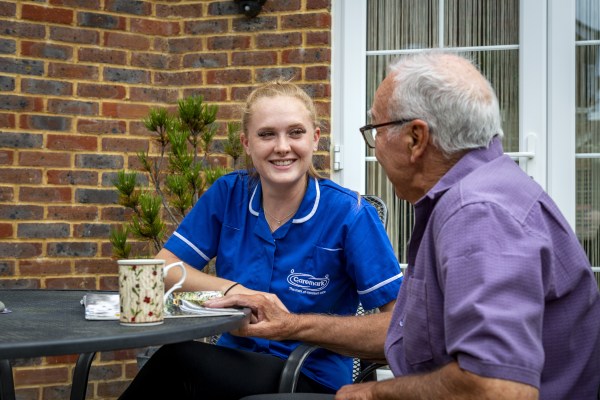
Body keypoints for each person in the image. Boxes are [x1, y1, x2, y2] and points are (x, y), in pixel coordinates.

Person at [210, 52, 600, 400]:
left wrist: (377, 394)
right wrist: (291, 324)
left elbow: (497, 388)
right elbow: (403, 329)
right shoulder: (478, 192)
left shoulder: (479, 215)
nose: (375, 146)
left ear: (416, 138)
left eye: (376, 130)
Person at [118, 80, 403, 399]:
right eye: (267, 134)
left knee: (177, 363)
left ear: (315, 139)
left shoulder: (351, 214)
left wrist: (294, 325)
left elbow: (400, 327)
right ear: (247, 143)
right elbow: (163, 266)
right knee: (178, 363)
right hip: (231, 362)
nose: (282, 146)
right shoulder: (229, 195)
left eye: (295, 132)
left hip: (307, 376)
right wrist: (237, 292)